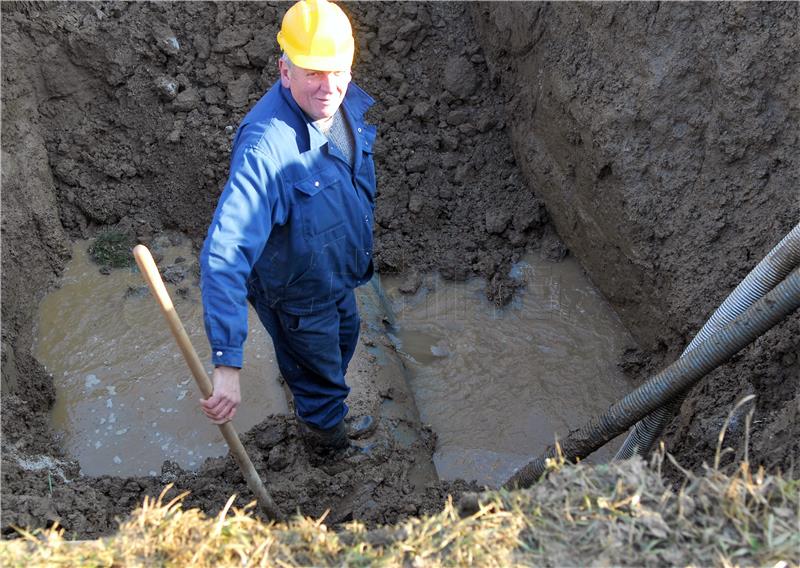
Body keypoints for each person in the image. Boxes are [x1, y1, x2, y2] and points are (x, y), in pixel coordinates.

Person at [199, 0, 377, 455]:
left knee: (340, 345)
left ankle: (319, 403)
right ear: (285, 71)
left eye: (337, 71)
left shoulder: (341, 107)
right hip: (298, 295)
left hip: (336, 277)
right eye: (312, 72)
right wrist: (227, 362)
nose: (327, 86)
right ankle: (327, 453)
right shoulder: (266, 148)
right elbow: (225, 250)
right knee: (319, 379)